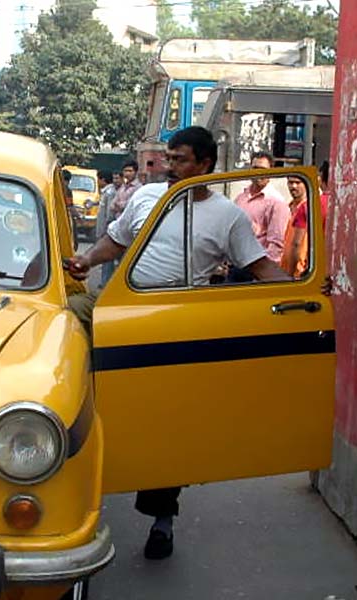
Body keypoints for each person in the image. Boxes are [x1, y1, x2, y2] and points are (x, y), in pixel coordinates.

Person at [64, 126, 289, 561]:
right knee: (63, 336)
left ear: (205, 165)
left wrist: (306, 294)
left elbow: (260, 267)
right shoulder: (148, 197)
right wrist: (86, 260)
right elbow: (115, 241)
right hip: (119, 306)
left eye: (180, 159)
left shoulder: (228, 217)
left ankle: (161, 519)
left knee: (166, 424)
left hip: (178, 323)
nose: (170, 167)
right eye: (168, 158)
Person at [233, 151, 289, 264]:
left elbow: (276, 244)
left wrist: (265, 272)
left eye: (262, 169)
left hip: (256, 266)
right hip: (235, 262)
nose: (258, 173)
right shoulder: (241, 198)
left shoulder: (276, 202)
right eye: (255, 168)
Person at [94, 171, 120, 287]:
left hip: (108, 228)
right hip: (105, 228)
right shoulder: (107, 192)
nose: (116, 180)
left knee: (107, 257)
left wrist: (106, 230)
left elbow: (109, 213)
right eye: (114, 178)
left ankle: (105, 282)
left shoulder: (110, 192)